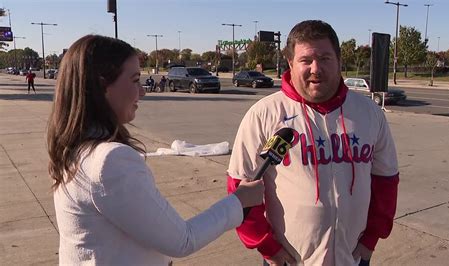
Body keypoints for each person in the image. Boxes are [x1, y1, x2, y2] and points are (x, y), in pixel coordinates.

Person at [47, 35, 265, 265]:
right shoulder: (108, 161)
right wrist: (238, 201)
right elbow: (183, 240)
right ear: (102, 86)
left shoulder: (75, 149)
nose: (142, 91)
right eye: (134, 80)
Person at [227, 20, 399, 266]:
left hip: (353, 257)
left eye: (325, 58)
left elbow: (386, 182)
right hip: (288, 259)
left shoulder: (369, 113)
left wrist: (371, 239)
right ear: (291, 64)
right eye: (306, 60)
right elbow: (239, 188)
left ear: (339, 62)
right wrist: (267, 246)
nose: (316, 68)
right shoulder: (265, 114)